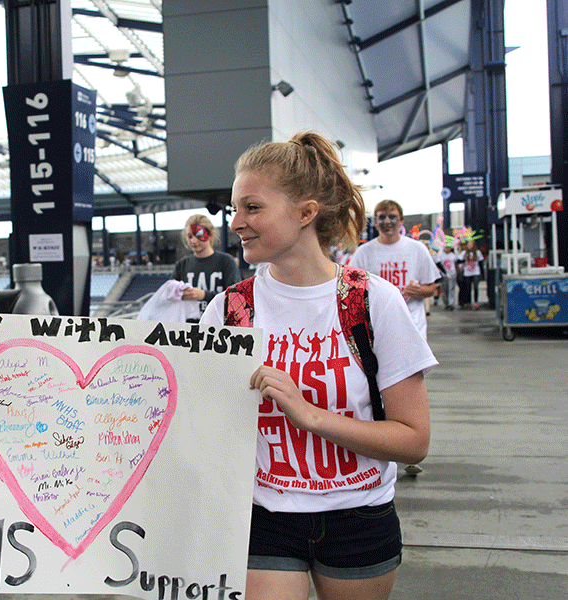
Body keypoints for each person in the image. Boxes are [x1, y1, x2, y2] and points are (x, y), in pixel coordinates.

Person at [200, 132, 436, 600]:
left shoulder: (371, 301)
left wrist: (309, 415)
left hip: (359, 517)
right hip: (263, 515)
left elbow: (414, 441)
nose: (236, 223)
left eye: (252, 208)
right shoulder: (228, 310)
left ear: (306, 213)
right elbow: (201, 423)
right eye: (234, 209)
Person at [349, 200, 441, 340]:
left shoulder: (417, 249)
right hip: (378, 328)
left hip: (413, 327)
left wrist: (419, 291)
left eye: (392, 217)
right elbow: (350, 290)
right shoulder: (363, 253)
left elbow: (432, 288)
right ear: (375, 221)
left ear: (401, 221)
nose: (387, 221)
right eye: (381, 217)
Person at [172, 214, 242, 321]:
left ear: (210, 234)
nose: (193, 241)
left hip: (218, 325)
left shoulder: (226, 261)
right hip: (189, 328)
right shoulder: (181, 265)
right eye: (190, 236)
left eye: (198, 235)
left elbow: (235, 297)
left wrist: (204, 295)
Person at [458, 238, 484, 310]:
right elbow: (458, 261)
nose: (468, 246)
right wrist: (464, 259)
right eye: (468, 245)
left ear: (473, 245)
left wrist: (482, 274)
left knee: (476, 287)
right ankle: (469, 302)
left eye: (470, 245)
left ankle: (476, 302)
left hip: (476, 272)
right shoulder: (464, 253)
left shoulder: (477, 252)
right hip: (467, 273)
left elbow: (481, 263)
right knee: (468, 288)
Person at [435, 241, 459, 310]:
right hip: (444, 274)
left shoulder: (453, 255)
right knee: (444, 289)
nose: (447, 248)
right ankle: (446, 303)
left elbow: (457, 263)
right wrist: (445, 273)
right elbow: (439, 264)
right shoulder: (441, 255)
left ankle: (451, 303)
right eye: (446, 247)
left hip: (452, 273)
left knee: (451, 288)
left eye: (449, 247)